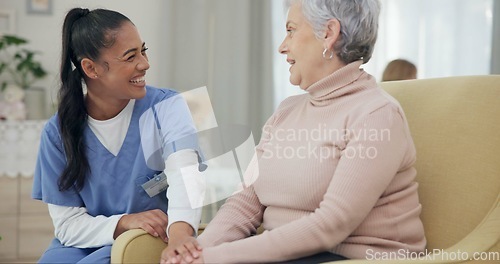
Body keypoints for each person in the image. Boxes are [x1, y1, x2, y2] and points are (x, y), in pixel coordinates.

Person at [162, 0, 426, 263]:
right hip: (291, 256)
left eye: (291, 30)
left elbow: (331, 225)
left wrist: (213, 259)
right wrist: (194, 253)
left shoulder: (376, 114)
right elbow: (246, 201)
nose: (282, 46)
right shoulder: (287, 111)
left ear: (328, 34)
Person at [32, 8, 204, 263]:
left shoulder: (170, 105)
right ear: (91, 68)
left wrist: (180, 234)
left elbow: (186, 174)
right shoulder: (56, 131)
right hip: (81, 243)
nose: (145, 64)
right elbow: (67, 226)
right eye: (130, 56)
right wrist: (124, 221)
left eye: (143, 51)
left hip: (146, 239)